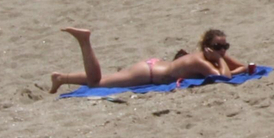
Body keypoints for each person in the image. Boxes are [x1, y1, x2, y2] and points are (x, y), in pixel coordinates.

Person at [48, 27, 256, 94]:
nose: (223, 51)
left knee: (108, 78)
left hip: (153, 66)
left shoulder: (210, 56)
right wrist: (220, 61)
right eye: (219, 47)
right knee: (96, 83)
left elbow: (240, 68)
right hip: (147, 73)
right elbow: (224, 77)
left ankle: (61, 78)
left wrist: (223, 58)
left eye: (225, 47)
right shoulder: (202, 61)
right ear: (207, 48)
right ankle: (84, 41)